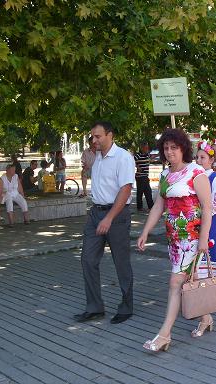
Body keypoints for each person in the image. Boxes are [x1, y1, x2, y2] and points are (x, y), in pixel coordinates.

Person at [137, 128, 212, 352]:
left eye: (174, 147)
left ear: (183, 149)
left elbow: (207, 208)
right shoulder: (164, 175)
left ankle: (164, 334)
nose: (170, 152)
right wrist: (145, 231)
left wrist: (203, 240)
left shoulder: (196, 172)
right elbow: (159, 206)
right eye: (166, 148)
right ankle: (206, 317)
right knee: (191, 279)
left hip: (192, 237)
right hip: (174, 239)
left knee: (175, 283)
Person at [75, 121, 135, 325]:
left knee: (121, 262)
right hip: (95, 214)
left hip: (116, 215)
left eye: (98, 136)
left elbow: (125, 190)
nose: (94, 140)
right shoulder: (97, 158)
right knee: (87, 260)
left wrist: (109, 218)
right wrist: (98, 215)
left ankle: (126, 307)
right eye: (92, 136)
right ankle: (94, 308)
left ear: (110, 135)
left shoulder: (123, 157)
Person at [195, 141, 216, 279]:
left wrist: (200, 215)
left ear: (211, 160)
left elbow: (215, 205)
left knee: (209, 263)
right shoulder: (194, 177)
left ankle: (212, 295)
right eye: (197, 157)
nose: (198, 161)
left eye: (202, 158)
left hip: (209, 222)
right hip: (194, 222)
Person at [133, 142, 154, 211]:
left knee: (148, 192)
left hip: (145, 176)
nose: (147, 149)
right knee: (141, 192)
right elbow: (131, 161)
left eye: (147, 148)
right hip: (140, 177)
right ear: (142, 148)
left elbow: (151, 157)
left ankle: (150, 207)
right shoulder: (138, 155)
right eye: (145, 148)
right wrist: (137, 166)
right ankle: (141, 207)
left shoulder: (147, 155)